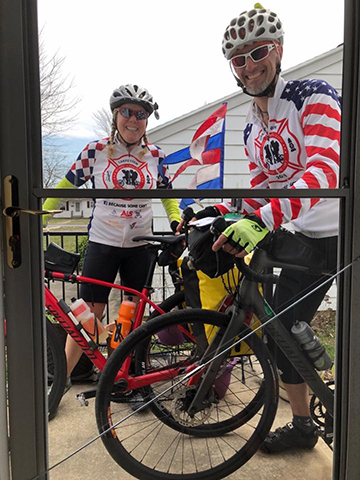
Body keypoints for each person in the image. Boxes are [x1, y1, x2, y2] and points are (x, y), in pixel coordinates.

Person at [185, 4, 340, 453]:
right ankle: (305, 426)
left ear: (279, 50)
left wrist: (262, 217)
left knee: (304, 331)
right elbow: (259, 189)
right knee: (283, 332)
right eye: (239, 59)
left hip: (343, 233)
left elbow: (324, 174)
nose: (250, 66)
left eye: (258, 53)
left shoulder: (314, 96)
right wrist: (221, 215)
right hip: (304, 236)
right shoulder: (253, 123)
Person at [43, 84, 181, 392]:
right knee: (89, 314)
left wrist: (175, 220)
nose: (134, 119)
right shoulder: (95, 151)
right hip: (102, 243)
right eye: (127, 112)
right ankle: (63, 379)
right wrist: (40, 217)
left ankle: (129, 377)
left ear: (148, 119)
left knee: (132, 316)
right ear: (115, 115)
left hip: (140, 245)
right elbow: (65, 187)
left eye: (141, 114)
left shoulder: (156, 155)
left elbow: (169, 195)